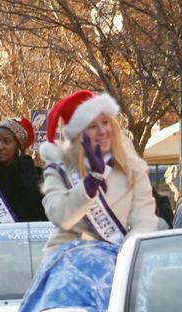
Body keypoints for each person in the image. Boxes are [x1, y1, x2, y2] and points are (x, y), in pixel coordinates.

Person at [38, 90, 157, 254]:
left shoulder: (133, 168)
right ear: (78, 134)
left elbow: (144, 221)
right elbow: (60, 217)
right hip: (69, 258)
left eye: (105, 122)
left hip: (119, 256)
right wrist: (90, 183)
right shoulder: (59, 169)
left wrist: (125, 255)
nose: (102, 131)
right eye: (92, 126)